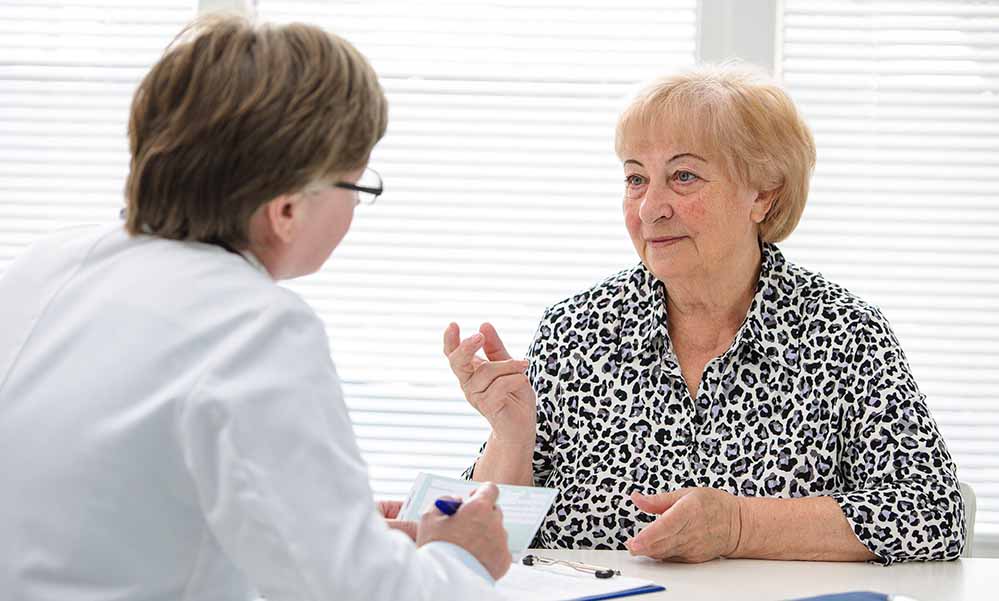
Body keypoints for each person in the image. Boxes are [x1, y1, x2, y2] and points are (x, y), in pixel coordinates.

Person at [0, 16, 510, 600]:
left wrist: (329, 521)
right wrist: (461, 557)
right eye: (356, 185)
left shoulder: (46, 266)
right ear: (287, 210)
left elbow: (110, 510)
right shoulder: (253, 328)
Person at [444, 64, 965, 565]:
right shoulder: (574, 328)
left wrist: (738, 526)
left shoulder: (847, 334)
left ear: (763, 193)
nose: (650, 209)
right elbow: (474, 540)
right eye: (635, 179)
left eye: (684, 176)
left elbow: (934, 514)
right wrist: (511, 436)